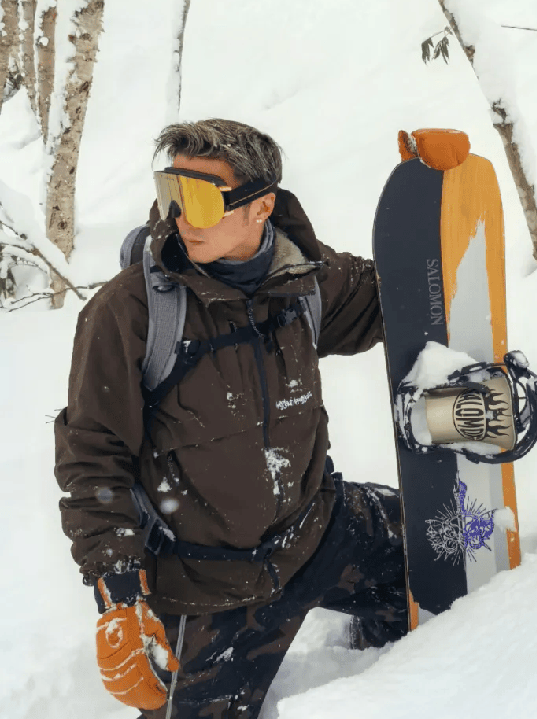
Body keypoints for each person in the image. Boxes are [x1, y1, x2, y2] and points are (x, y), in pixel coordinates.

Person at [55, 119, 407, 719]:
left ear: (261, 206)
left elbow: (416, 299)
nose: (180, 218)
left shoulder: (308, 282)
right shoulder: (130, 313)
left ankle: (384, 678)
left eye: (199, 200)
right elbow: (92, 459)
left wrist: (436, 189)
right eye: (172, 194)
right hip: (206, 589)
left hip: (314, 532)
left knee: (437, 554)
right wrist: (118, 595)